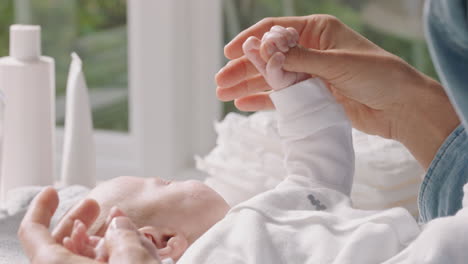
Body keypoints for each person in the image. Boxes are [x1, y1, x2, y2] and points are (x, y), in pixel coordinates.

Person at [23, 26, 424, 263]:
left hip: (425, 240)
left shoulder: (262, 210)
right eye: (163, 182)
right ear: (159, 241)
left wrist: (295, 89)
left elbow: (318, 168)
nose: (170, 177)